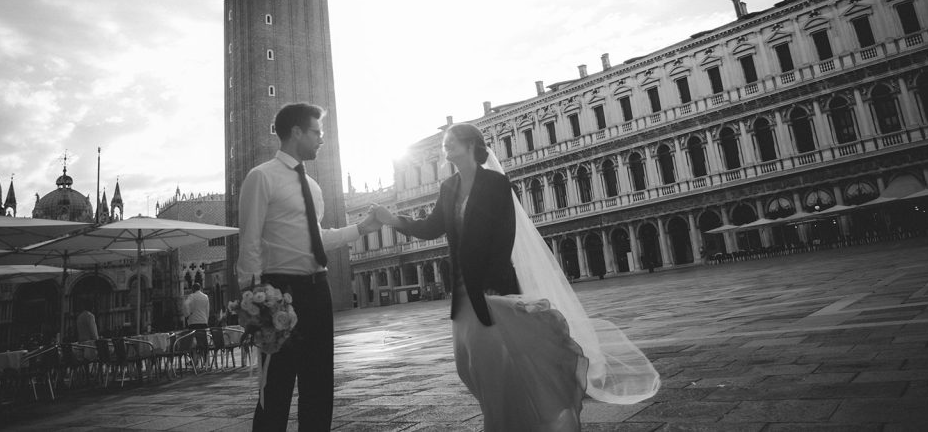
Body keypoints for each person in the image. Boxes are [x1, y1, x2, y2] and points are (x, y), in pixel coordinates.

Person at [375, 123, 660, 431]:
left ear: (470, 145)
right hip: (461, 289)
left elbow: (504, 235)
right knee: (469, 366)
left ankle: (513, 422)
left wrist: (493, 284)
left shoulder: (496, 183)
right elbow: (432, 226)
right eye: (444, 144)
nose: (445, 149)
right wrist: (394, 220)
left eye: (450, 143)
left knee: (498, 363)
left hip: (491, 287)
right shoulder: (449, 188)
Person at [237, 102, 383, 432]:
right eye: (317, 132)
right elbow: (249, 241)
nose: (321, 140)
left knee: (319, 384)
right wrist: (253, 301)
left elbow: (318, 238)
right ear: (296, 132)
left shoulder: (314, 187)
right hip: (279, 292)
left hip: (318, 289)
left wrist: (361, 228)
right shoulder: (261, 177)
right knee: (276, 387)